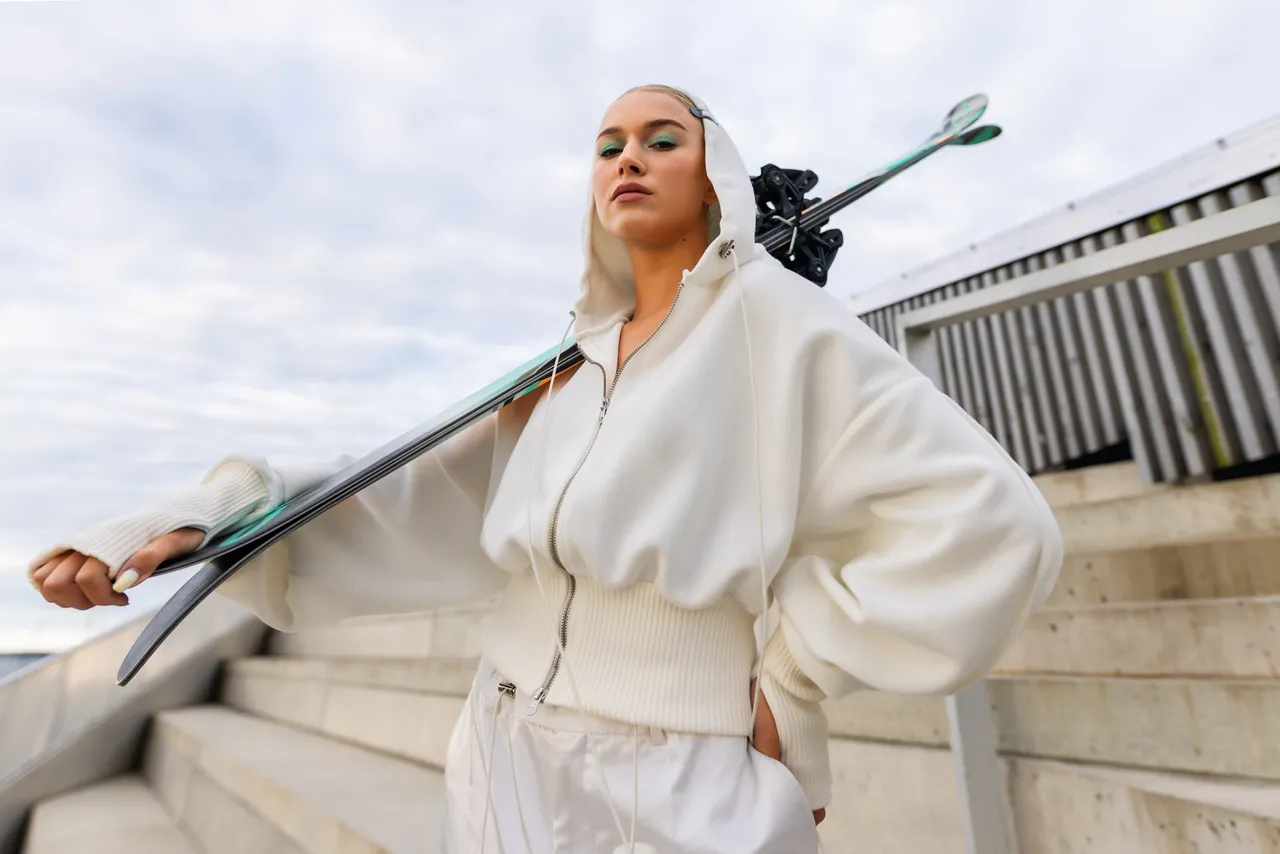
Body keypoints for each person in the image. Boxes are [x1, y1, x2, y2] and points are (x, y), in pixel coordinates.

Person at [27, 83, 1063, 853]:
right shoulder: (570, 366)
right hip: (500, 746)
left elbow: (990, 522)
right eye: (607, 143)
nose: (629, 156)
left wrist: (793, 676)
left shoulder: (780, 326)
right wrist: (209, 517)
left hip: (678, 773)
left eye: (665, 138)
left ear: (718, 176)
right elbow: (406, 494)